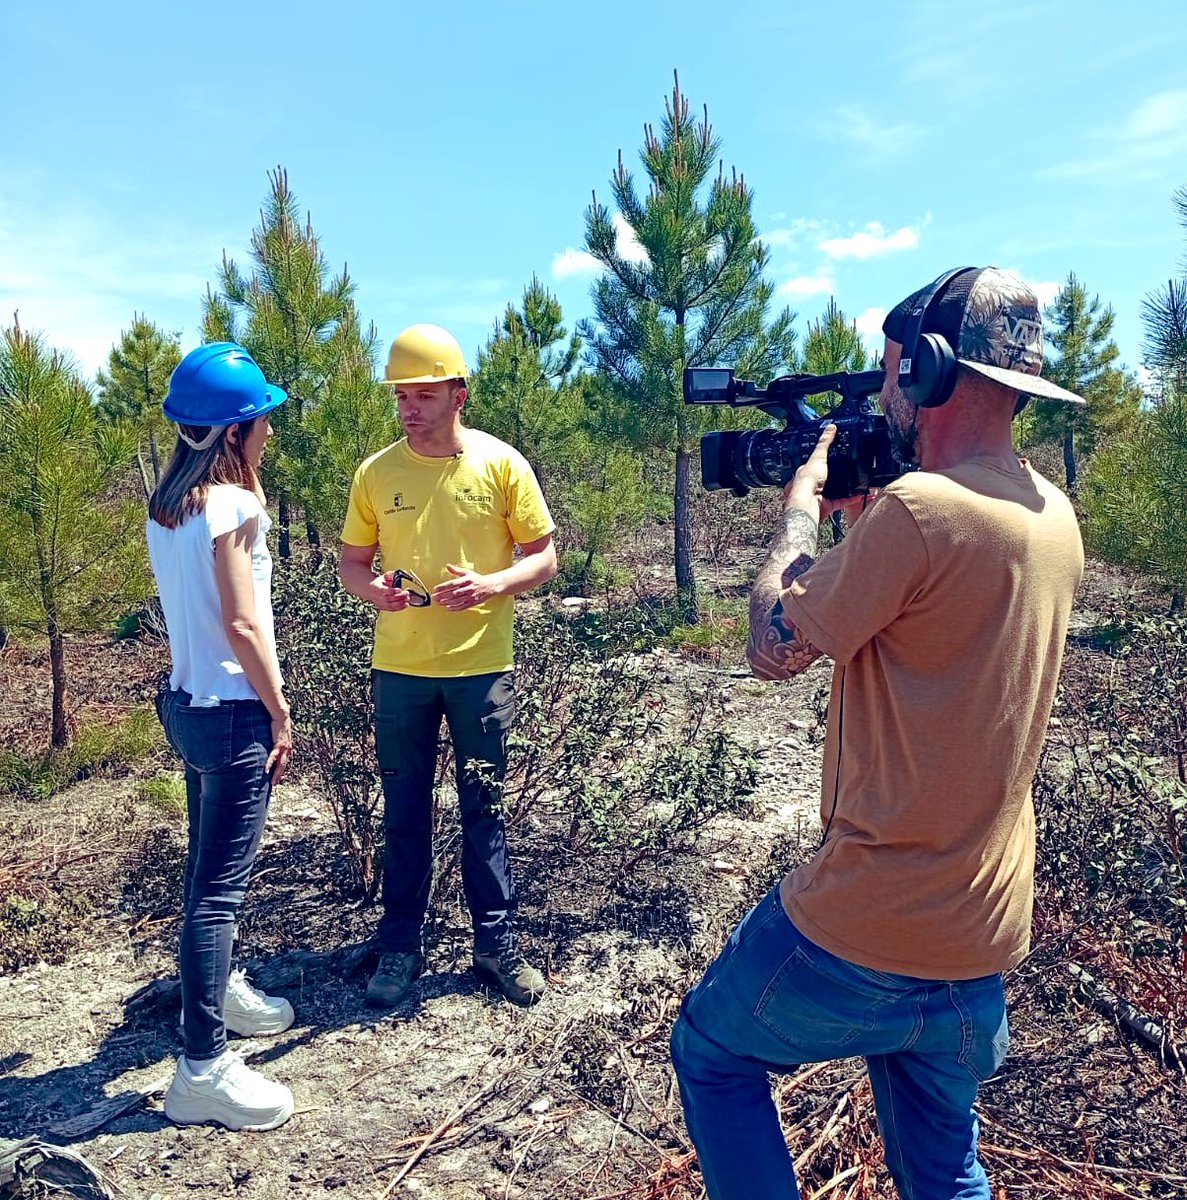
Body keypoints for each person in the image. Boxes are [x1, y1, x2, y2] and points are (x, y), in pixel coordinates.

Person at [670, 267, 1086, 1199]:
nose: (882, 391)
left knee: (709, 1051)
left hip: (869, 917)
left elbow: (774, 651)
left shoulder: (916, 512)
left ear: (929, 372)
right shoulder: (1051, 514)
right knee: (943, 1172)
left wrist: (798, 513)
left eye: (890, 372)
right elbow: (931, 609)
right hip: (978, 929)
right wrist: (868, 529)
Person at [339, 323, 557, 1009]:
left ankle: (495, 947)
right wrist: (374, 590)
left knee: (483, 810)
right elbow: (351, 565)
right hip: (399, 671)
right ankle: (401, 948)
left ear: (459, 395)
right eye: (402, 396)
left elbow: (544, 557)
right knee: (404, 811)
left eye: (425, 395)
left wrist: (492, 584)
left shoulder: (501, 464)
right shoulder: (376, 472)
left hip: (481, 669)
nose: (410, 408)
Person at [148, 342, 297, 1132]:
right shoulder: (233, 508)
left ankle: (220, 989)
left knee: (203, 876)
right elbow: (242, 622)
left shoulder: (168, 506)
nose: (269, 429)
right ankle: (201, 1069)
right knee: (216, 895)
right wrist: (279, 709)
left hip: (185, 705)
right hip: (234, 712)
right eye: (261, 419)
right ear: (234, 432)